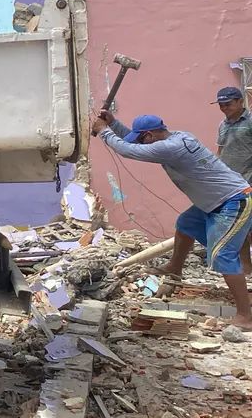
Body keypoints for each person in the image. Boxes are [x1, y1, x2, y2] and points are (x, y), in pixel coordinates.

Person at [92, 111, 252, 329]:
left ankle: (245, 315)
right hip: (214, 201)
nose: (142, 142)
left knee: (223, 255)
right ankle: (174, 267)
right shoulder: (176, 137)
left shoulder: (170, 147)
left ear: (149, 135)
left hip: (232, 200)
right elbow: (135, 141)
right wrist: (114, 124)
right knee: (185, 224)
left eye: (142, 138)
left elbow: (129, 150)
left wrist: (103, 131)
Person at [214, 85, 252, 273]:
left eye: (228, 104)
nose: (224, 108)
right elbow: (221, 151)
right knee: (240, 228)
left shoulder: (250, 122)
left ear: (240, 102)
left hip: (249, 181)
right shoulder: (223, 125)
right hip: (230, 186)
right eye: (221, 105)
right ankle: (246, 268)